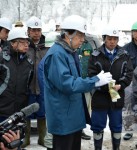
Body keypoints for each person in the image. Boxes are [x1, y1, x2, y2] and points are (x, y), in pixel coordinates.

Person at [43, 15, 112, 150]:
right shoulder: (57, 54)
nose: (82, 40)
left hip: (72, 116)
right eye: (79, 36)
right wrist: (95, 81)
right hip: (63, 118)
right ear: (68, 35)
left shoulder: (70, 52)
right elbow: (68, 84)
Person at [88, 25, 133, 150]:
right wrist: (104, 87)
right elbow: (92, 74)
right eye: (109, 39)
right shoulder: (95, 55)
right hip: (99, 96)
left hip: (117, 96)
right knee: (98, 125)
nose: (112, 42)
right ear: (104, 39)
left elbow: (129, 73)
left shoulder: (124, 55)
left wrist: (121, 85)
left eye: (115, 39)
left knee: (116, 125)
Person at [21, 16, 46, 148]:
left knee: (43, 114)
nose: (36, 33)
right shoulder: (25, 46)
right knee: (26, 114)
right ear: (28, 31)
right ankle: (26, 139)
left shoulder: (47, 46)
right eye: (33, 30)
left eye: (38, 30)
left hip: (42, 87)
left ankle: (43, 138)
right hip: (28, 87)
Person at [0, 27, 33, 123]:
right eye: (22, 42)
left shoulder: (29, 63)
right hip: (2, 110)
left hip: (19, 112)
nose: (26, 45)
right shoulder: (2, 59)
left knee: (17, 137)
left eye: (27, 42)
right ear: (12, 43)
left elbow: (28, 85)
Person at [122, 21, 137, 145]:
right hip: (129, 82)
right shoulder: (126, 48)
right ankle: (129, 130)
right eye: (136, 31)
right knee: (128, 106)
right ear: (132, 33)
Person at [38, 31, 59, 150]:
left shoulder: (47, 60)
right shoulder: (48, 61)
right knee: (52, 129)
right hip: (52, 100)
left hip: (50, 100)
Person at [77, 39, 94, 140]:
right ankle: (76, 130)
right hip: (74, 82)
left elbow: (90, 63)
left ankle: (81, 130)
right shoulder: (70, 46)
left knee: (86, 108)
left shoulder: (88, 46)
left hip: (86, 81)